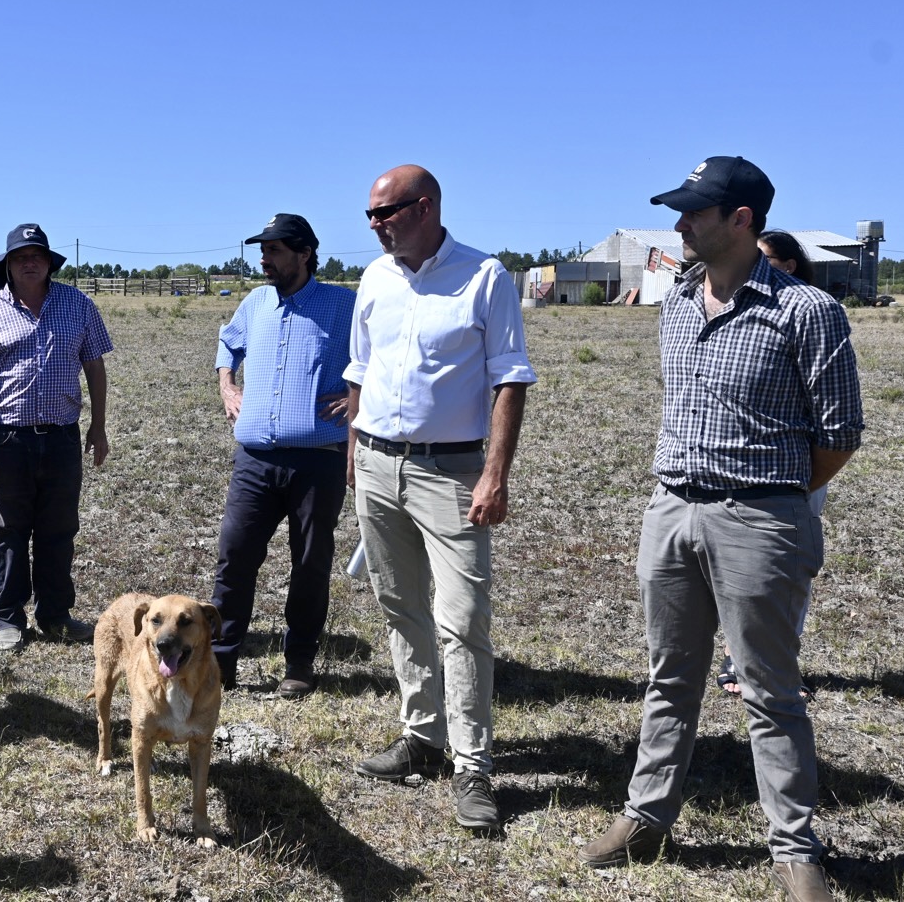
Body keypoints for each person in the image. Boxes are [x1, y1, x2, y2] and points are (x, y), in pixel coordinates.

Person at [577, 157, 862, 902]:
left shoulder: (806, 313)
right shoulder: (675, 301)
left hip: (761, 517)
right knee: (669, 677)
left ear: (742, 220)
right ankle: (647, 818)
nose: (679, 224)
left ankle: (796, 850)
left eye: (694, 212)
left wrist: (769, 502)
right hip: (671, 510)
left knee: (769, 691)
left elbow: (837, 436)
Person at [344, 164, 536, 831]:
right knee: (401, 609)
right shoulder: (374, 280)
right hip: (376, 465)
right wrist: (354, 456)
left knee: (462, 620)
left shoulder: (485, 278)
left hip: (451, 474)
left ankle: (472, 767)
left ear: (423, 208)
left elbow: (510, 380)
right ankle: (422, 736)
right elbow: (360, 373)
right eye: (370, 214)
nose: (374, 226)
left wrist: (495, 473)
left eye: (385, 213)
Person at [209, 213, 355, 698]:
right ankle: (220, 662)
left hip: (318, 460)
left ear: (304, 253)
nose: (264, 260)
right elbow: (228, 344)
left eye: (272, 251)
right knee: (234, 556)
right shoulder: (254, 303)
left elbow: (382, 355)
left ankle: (299, 663)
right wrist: (228, 385)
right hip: (254, 459)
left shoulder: (343, 304)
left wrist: (362, 396)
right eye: (262, 251)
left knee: (311, 561)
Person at [0, 223, 113, 651]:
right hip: (7, 441)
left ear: (48, 262)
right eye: (20, 256)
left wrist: (97, 426)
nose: (29, 262)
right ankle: (9, 619)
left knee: (58, 530)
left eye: (36, 255)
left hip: (61, 437)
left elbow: (95, 367)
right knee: (7, 531)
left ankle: (56, 616)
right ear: (7, 265)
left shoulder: (77, 304)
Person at [717, 229, 821, 699]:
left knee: (784, 573)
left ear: (789, 266)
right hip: (740, 472)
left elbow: (834, 416)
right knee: (735, 573)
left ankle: (778, 662)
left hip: (793, 466)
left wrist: (800, 481)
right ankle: (737, 656)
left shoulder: (810, 311)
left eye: (763, 259)